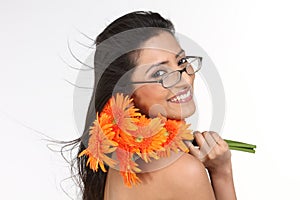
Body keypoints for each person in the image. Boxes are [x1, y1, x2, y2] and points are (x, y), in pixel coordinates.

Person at [63, 11, 236, 200]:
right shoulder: (183, 170)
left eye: (181, 62)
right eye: (159, 73)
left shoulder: (119, 162)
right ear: (125, 93)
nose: (184, 78)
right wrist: (222, 173)